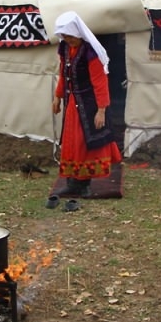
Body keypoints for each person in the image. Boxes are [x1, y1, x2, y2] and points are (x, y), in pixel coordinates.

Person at [51, 11, 122, 198]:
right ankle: (72, 183)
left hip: (89, 105)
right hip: (72, 104)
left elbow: (100, 82)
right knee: (71, 143)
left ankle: (85, 184)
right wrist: (57, 97)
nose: (68, 40)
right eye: (64, 36)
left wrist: (101, 110)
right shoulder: (65, 48)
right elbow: (63, 74)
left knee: (86, 143)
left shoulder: (90, 53)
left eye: (71, 36)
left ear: (78, 33)